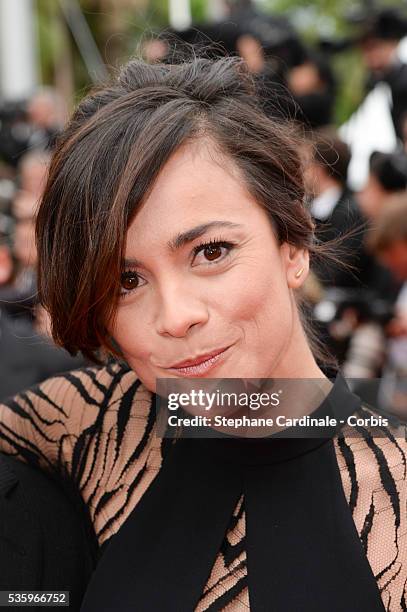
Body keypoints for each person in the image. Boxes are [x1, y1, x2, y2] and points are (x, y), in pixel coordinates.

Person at [0, 56, 405, 611]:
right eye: (126, 280)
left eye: (210, 252)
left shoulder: (395, 491)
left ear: (294, 246)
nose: (175, 315)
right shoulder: (87, 424)